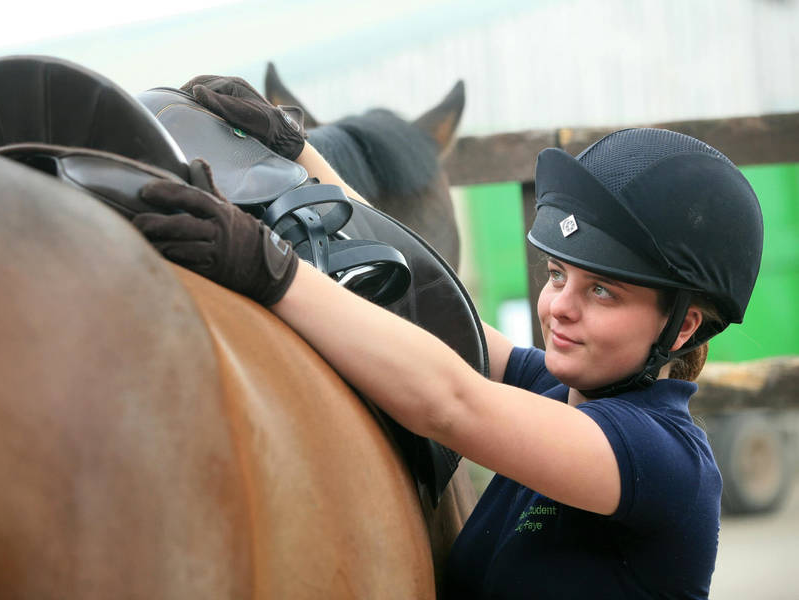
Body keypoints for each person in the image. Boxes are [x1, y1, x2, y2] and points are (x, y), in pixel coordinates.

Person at [132, 76, 764, 599]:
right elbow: (434, 302)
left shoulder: (664, 461)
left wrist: (273, 271)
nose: (558, 309)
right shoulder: (554, 388)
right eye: (556, 275)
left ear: (681, 326)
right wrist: (298, 155)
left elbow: (451, 402)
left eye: (602, 291)